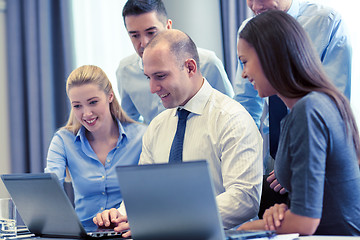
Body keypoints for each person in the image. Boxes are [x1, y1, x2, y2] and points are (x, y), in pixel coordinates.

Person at [93, 29, 263, 238]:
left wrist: (169, 219)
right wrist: (119, 215)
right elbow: (144, 192)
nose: (153, 88)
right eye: (148, 77)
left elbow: (244, 200)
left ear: (190, 67)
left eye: (160, 76)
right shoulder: (157, 126)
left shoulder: (232, 118)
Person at [236, 10, 360, 235]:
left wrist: (245, 229)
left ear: (270, 56)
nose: (243, 73)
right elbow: (307, 208)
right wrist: (282, 212)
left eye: (245, 62)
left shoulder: (308, 110)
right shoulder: (311, 106)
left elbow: (305, 222)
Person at [45, 65, 147, 228]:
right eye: (77, 106)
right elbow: (50, 187)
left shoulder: (142, 136)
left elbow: (151, 193)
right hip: (83, 235)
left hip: (129, 232)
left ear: (110, 96)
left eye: (93, 102)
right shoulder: (63, 140)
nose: (86, 113)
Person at [117, 0, 234, 124]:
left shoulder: (208, 63)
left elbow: (229, 111)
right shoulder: (125, 71)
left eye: (151, 32)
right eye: (135, 35)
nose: (144, 43)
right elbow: (130, 124)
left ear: (168, 27)